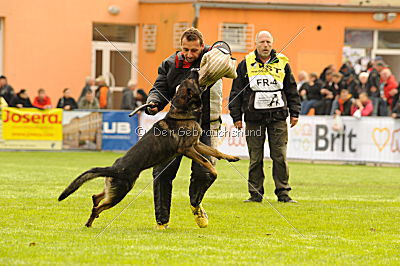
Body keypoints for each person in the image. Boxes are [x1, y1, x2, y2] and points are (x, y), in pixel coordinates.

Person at [144, 27, 223, 229]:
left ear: (202, 47)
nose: (189, 55)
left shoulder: (211, 60)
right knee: (162, 172)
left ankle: (196, 203)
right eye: (185, 49)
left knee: (205, 173)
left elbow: (225, 51)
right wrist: (154, 102)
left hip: (203, 126)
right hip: (176, 126)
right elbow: (160, 88)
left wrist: (220, 50)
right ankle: (162, 221)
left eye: (193, 51)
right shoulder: (170, 64)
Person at [229, 30, 301, 203]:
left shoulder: (283, 63)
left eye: (268, 42)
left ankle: (283, 193)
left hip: (278, 118)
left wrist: (295, 112)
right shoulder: (245, 63)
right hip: (253, 119)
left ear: (272, 43)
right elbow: (236, 91)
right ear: (256, 44)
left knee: (280, 157)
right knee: (255, 158)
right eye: (262, 42)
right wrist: (236, 116)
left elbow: (291, 89)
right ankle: (255, 194)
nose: (265, 45)